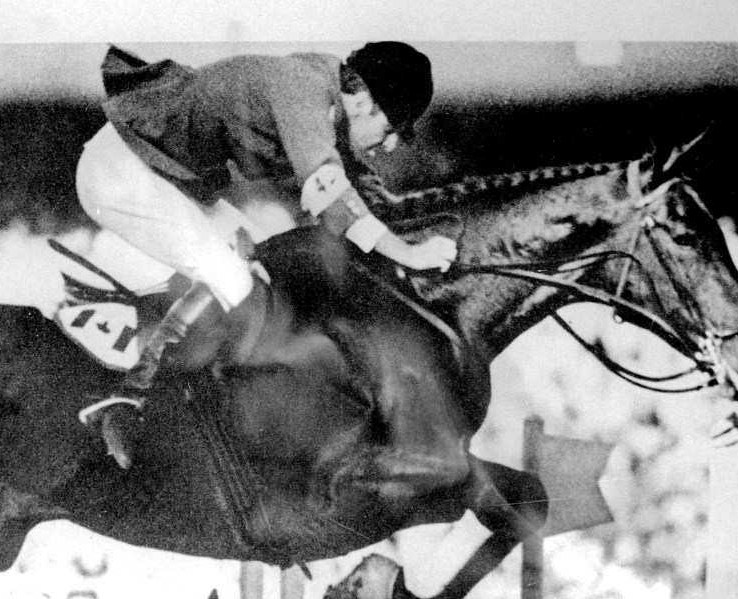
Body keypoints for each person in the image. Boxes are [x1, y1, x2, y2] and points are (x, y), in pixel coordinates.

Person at [74, 42, 458, 469]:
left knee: (263, 258)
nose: (387, 147)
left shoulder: (328, 89)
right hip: (122, 172)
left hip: (160, 171)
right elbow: (333, 198)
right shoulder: (304, 90)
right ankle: (129, 399)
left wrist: (419, 228)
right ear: (365, 101)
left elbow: (358, 186)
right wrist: (407, 252)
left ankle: (186, 380)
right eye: (391, 130)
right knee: (233, 279)